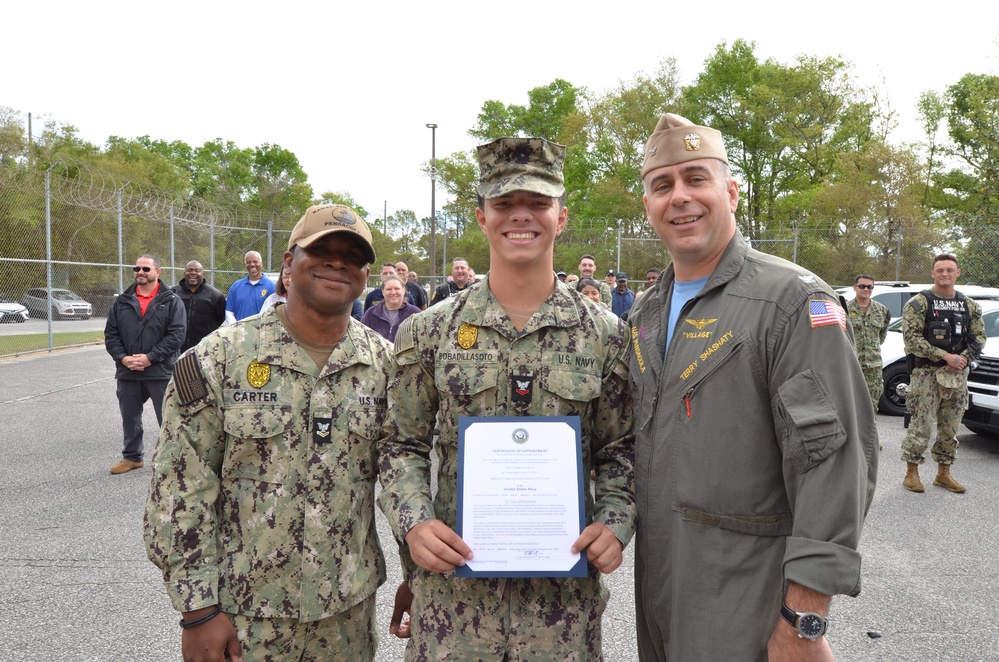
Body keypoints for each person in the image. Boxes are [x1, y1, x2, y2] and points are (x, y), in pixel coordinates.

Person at [628, 113, 878, 660]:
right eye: (662, 185)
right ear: (647, 204)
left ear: (731, 192)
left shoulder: (791, 301)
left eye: (697, 179)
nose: (680, 198)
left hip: (748, 603)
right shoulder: (646, 314)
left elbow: (832, 463)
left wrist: (802, 619)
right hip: (662, 590)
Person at [379, 137, 635, 661]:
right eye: (504, 205)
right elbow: (398, 444)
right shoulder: (430, 331)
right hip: (453, 608)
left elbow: (622, 449)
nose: (522, 217)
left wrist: (616, 520)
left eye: (538, 204)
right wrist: (415, 522)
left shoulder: (606, 336)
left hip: (561, 614)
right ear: (481, 218)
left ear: (560, 218)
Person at [145, 204, 392, 661]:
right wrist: (197, 610)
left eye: (352, 257)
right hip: (244, 617)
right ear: (288, 264)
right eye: (321, 252)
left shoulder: (386, 364)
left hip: (347, 618)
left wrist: (419, 576)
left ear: (364, 275)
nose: (337, 263)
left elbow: (403, 476)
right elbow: (179, 488)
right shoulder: (219, 358)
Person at [900, 254, 985, 494]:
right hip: (927, 373)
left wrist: (964, 358)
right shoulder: (919, 303)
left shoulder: (969, 305)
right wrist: (945, 356)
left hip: (957, 375)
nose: (945, 274)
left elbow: (979, 337)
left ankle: (943, 474)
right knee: (921, 424)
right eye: (940, 270)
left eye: (949, 270)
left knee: (951, 425)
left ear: (958, 272)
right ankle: (911, 473)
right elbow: (912, 339)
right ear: (932, 273)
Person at [104, 254, 186, 475]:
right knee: (129, 415)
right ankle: (132, 457)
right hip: (127, 370)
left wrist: (150, 357)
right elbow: (111, 334)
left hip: (159, 369)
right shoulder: (122, 301)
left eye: (146, 269)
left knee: (167, 416)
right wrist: (123, 358)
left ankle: (173, 459)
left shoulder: (171, 301)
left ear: (157, 272)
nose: (140, 272)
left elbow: (176, 335)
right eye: (137, 268)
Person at [847, 274, 891, 414]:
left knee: (871, 407)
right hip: (851, 364)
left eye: (869, 286)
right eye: (862, 286)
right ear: (855, 287)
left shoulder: (882, 310)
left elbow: (881, 337)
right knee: (849, 404)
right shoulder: (845, 309)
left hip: (873, 367)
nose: (865, 289)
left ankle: (868, 435)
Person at [172, 260, 226, 353]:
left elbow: (220, 319)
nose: (193, 273)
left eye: (197, 271)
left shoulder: (215, 295)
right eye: (189, 270)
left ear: (203, 274)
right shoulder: (173, 293)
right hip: (176, 348)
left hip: (204, 349)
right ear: (184, 273)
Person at [361, 274, 421, 342]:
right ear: (383, 291)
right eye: (389, 289)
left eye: (397, 289)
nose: (393, 292)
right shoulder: (371, 314)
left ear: (404, 290)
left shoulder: (415, 314)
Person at [225, 251, 276, 323]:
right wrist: (237, 328)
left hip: (262, 332)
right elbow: (229, 311)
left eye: (255, 262)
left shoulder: (272, 287)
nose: (252, 264)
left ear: (261, 263)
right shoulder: (236, 286)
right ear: (245, 264)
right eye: (248, 262)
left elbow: (275, 314)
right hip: (240, 332)